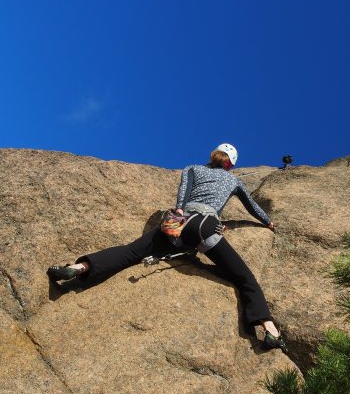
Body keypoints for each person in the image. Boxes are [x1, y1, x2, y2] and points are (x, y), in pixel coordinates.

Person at [47, 143, 287, 352]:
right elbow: (252, 206)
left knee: (131, 251)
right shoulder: (233, 180)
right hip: (204, 226)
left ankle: (79, 267)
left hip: (176, 225)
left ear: (213, 155)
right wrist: (268, 222)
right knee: (244, 277)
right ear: (230, 164)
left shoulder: (193, 168)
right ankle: (270, 331)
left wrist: (180, 210)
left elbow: (182, 194)